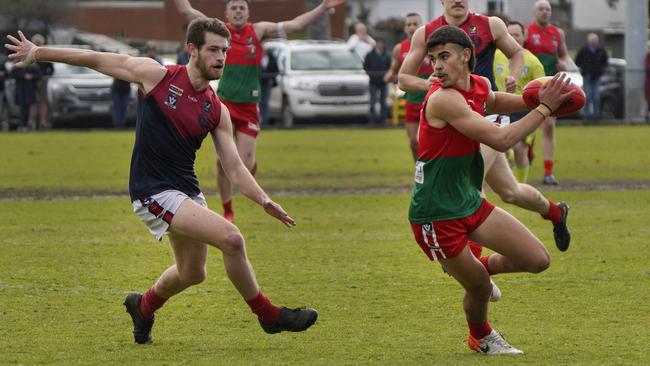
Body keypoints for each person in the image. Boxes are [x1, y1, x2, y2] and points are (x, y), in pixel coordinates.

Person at [5, 18, 318, 345]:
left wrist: (264, 200)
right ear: (192, 50)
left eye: (224, 51)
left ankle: (143, 306)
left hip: (186, 191)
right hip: (151, 190)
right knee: (232, 239)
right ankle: (269, 316)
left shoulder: (216, 109)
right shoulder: (157, 76)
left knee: (193, 272)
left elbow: (236, 169)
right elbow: (96, 59)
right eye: (213, 49)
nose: (221, 58)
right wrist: (38, 52)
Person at [409, 25, 573, 355]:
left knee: (537, 259)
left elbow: (495, 100)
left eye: (444, 57)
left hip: (469, 201)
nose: (436, 66)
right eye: (432, 59)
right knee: (480, 289)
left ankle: (477, 268)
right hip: (437, 213)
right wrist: (544, 108)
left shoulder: (480, 85)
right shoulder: (443, 100)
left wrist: (537, 96)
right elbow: (500, 139)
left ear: (466, 55)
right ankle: (481, 337)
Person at [399, 0, 571, 264]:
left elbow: (517, 54)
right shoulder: (427, 32)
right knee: (510, 191)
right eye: (436, 59)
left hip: (487, 112)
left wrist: (514, 80)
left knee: (472, 184)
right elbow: (403, 79)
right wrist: (429, 82)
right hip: (454, 114)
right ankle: (555, 213)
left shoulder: (490, 24)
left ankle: (477, 267)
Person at [174, 0, 347, 223]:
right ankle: (228, 210)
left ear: (248, 12)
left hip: (248, 106)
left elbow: (294, 25)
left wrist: (322, 8)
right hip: (224, 104)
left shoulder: (258, 30)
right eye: (233, 8)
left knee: (244, 163)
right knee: (222, 162)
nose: (237, 11)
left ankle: (249, 171)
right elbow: (187, 11)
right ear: (226, 12)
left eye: (241, 8)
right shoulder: (218, 32)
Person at [493, 21, 546, 183]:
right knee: (497, 145)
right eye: (510, 34)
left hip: (523, 109)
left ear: (524, 37)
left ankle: (520, 185)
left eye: (517, 34)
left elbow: (542, 89)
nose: (514, 38)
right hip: (498, 106)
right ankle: (507, 182)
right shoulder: (495, 55)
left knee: (520, 149)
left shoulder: (533, 61)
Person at [524, 0, 569, 185]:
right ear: (534, 12)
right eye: (541, 9)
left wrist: (563, 62)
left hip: (550, 86)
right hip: (530, 86)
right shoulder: (527, 32)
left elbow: (564, 55)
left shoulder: (558, 33)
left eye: (548, 9)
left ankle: (548, 173)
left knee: (549, 127)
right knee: (527, 127)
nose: (545, 12)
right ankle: (528, 150)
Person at [384, 12, 431, 160]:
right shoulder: (400, 48)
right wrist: (390, 74)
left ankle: (430, 170)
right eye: (408, 25)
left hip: (429, 100)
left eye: (415, 24)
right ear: (404, 28)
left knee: (428, 142)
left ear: (422, 26)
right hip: (411, 100)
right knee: (413, 142)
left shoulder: (431, 46)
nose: (411, 27)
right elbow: (394, 68)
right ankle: (418, 170)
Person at [575, 33, 608, 120]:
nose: (593, 42)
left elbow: (605, 62)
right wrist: (584, 69)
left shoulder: (601, 50)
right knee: (588, 96)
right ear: (588, 40)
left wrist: (601, 70)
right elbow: (577, 61)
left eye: (595, 40)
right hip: (587, 76)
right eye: (592, 40)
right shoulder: (583, 50)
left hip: (597, 76)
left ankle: (596, 115)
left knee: (596, 97)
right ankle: (587, 115)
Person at [363, 37, 391, 124]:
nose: (380, 45)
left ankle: (383, 120)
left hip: (383, 82)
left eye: (381, 43)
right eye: (378, 43)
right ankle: (372, 120)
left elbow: (390, 67)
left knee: (383, 102)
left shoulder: (387, 55)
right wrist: (370, 74)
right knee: (372, 101)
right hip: (373, 82)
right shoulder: (369, 55)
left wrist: (387, 76)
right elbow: (365, 66)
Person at [31, 34, 54, 130]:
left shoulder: (46, 54)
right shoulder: (30, 54)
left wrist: (47, 77)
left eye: (39, 43)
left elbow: (51, 69)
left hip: (43, 81)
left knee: (43, 101)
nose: (37, 44)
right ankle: (31, 122)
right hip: (32, 81)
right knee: (32, 101)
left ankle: (42, 122)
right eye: (36, 43)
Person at [10, 60, 40, 132]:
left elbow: (39, 75)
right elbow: (13, 75)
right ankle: (21, 125)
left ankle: (28, 125)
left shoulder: (33, 65)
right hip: (20, 89)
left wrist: (32, 76)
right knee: (21, 108)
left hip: (30, 89)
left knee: (29, 107)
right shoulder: (17, 65)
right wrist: (24, 76)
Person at [259, 47, 278, 127]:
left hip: (267, 83)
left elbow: (275, 69)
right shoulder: (256, 56)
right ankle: (257, 121)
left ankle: (264, 122)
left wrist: (272, 78)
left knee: (265, 103)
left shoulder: (271, 58)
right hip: (257, 83)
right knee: (257, 102)